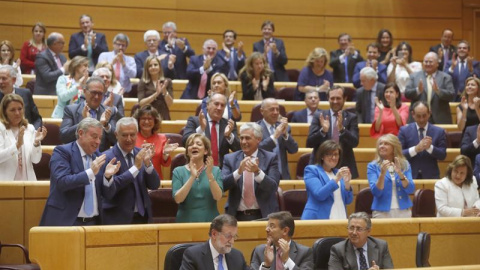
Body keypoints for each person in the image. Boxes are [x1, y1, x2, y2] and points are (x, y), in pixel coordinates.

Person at [39, 118, 120, 226]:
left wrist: (108, 178)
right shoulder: (62, 152)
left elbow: (108, 195)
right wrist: (91, 172)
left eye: (100, 138)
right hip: (66, 222)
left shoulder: (99, 157)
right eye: (94, 136)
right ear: (81, 133)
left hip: (93, 223)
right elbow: (62, 182)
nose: (98, 142)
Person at [100, 117, 161, 224]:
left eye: (132, 135)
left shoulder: (141, 153)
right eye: (124, 135)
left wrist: (148, 164)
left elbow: (154, 185)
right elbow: (109, 192)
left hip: (143, 217)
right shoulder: (107, 158)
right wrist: (135, 168)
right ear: (116, 134)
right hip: (117, 219)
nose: (129, 139)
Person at [222, 123, 281, 221]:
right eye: (241, 138)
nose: (244, 142)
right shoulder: (229, 159)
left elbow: (273, 187)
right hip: (236, 217)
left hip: (264, 216)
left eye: (247, 138)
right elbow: (222, 185)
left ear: (258, 139)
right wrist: (238, 172)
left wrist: (258, 172)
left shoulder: (270, 158)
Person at [306, 86, 360, 179]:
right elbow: (309, 143)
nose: (335, 101)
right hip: (321, 166)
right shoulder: (319, 116)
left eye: (338, 98)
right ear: (328, 99)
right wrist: (323, 131)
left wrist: (342, 129)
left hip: (344, 165)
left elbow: (355, 142)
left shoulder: (352, 117)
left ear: (345, 99)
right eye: (332, 98)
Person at [60, 77, 120, 152]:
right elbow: (64, 137)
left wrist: (106, 125)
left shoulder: (110, 112)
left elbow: (117, 141)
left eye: (100, 93)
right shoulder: (71, 110)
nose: (96, 97)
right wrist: (83, 122)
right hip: (77, 157)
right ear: (85, 91)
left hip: (101, 158)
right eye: (93, 93)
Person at [172, 133, 223, 223]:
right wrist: (192, 177)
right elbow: (178, 199)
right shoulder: (178, 171)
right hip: (185, 221)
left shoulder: (215, 170)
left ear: (206, 151)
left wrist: (210, 175)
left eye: (198, 144)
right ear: (187, 151)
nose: (194, 146)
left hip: (211, 221)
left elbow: (218, 197)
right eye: (190, 145)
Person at [183, 93, 240, 168]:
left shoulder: (229, 124)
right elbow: (185, 142)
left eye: (222, 105)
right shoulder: (195, 121)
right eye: (216, 104)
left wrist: (229, 136)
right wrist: (201, 129)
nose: (219, 108)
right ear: (207, 105)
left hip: (221, 171)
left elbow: (238, 148)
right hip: (197, 169)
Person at [301, 140, 353, 220]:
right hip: (318, 218)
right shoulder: (312, 170)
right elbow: (319, 195)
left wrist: (347, 183)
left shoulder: (338, 172)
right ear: (322, 156)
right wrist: (336, 179)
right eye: (329, 154)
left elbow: (348, 200)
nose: (334, 157)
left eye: (336, 154)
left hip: (340, 216)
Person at [0, 94, 47, 181]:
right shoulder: (1, 128)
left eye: (20, 109)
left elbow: (35, 160)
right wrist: (17, 145)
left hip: (28, 181)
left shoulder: (29, 128)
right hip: (5, 182)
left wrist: (36, 143)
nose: (17, 113)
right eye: (12, 110)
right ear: (5, 112)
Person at [367, 134, 415, 218]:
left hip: (403, 210)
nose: (382, 146)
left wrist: (400, 173)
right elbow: (376, 192)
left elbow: (410, 189)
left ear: (394, 148)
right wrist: (382, 174)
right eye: (380, 144)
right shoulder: (373, 166)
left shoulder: (404, 164)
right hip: (381, 212)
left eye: (386, 144)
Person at [180, 214, 250, 270]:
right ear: (214, 234)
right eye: (228, 236)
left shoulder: (237, 256)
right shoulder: (193, 255)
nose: (232, 241)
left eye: (234, 236)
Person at [328, 212, 394, 270]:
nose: (354, 232)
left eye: (359, 229)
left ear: (368, 231)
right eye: (351, 228)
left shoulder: (381, 246)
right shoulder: (338, 250)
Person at [398, 101, 447, 179]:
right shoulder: (404, 131)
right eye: (418, 116)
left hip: (431, 176)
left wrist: (429, 147)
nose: (421, 119)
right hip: (409, 176)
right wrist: (416, 149)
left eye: (424, 116)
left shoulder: (439, 131)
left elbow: (443, 155)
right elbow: (399, 154)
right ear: (413, 114)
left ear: (429, 113)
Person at [405, 52, 455, 124]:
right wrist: (418, 90)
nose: (428, 64)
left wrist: (438, 91)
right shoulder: (414, 76)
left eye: (431, 62)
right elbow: (407, 93)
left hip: (439, 118)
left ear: (437, 64)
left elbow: (451, 95)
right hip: (418, 118)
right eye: (426, 61)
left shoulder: (445, 77)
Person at [258, 98, 298, 180]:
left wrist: (285, 135)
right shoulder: (255, 128)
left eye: (277, 109)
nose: (276, 112)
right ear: (262, 111)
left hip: (283, 176)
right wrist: (274, 136)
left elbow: (294, 149)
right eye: (272, 109)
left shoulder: (285, 128)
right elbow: (257, 149)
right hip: (263, 177)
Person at [134, 105, 178, 180]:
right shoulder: (132, 138)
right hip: (136, 179)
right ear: (138, 121)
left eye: (150, 119)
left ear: (155, 121)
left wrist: (165, 155)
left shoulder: (162, 138)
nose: (147, 122)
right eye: (143, 118)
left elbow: (166, 164)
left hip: (155, 180)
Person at [0, 65, 42, 129]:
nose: (0, 82)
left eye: (4, 78)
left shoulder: (26, 93)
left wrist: (32, 132)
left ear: (13, 80)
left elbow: (37, 119)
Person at [137, 55, 173, 121]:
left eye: (155, 65)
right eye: (150, 66)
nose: (153, 67)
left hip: (163, 116)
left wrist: (164, 91)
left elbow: (170, 104)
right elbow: (141, 103)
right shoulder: (142, 82)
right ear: (147, 68)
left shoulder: (167, 81)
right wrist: (156, 93)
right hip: (147, 116)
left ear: (159, 67)